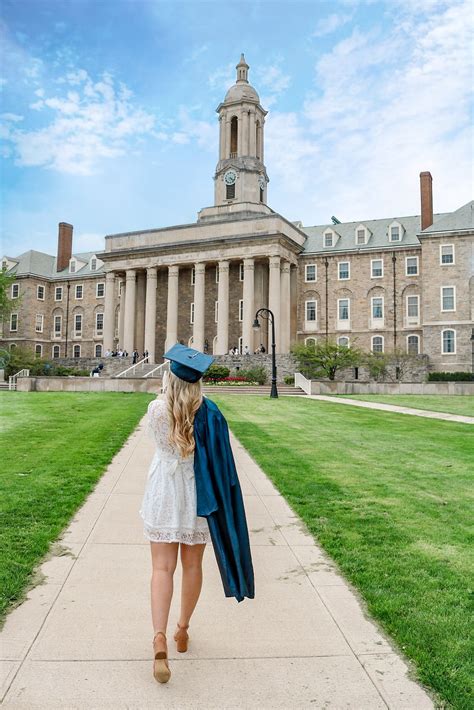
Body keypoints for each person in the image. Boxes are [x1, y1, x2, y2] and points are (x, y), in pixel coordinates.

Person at [139, 343, 254, 684]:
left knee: (161, 568)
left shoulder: (157, 410)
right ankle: (183, 629)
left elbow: (160, 446)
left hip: (164, 491)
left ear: (169, 378)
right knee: (192, 566)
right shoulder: (209, 412)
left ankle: (159, 638)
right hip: (197, 495)